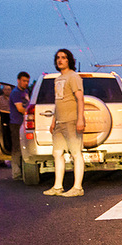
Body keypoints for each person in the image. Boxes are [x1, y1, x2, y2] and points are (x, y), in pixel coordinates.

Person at [44, 49, 86, 197]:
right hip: (60, 122)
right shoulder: (58, 79)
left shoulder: (73, 77)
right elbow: (58, 101)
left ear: (69, 60)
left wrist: (80, 119)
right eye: (58, 58)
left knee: (76, 153)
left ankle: (77, 187)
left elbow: (80, 99)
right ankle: (57, 186)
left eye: (63, 57)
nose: (60, 60)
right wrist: (54, 121)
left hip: (72, 121)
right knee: (57, 153)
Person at [9, 72, 30, 181]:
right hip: (16, 123)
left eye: (27, 81)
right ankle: (16, 173)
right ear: (18, 80)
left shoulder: (25, 91)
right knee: (17, 148)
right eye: (24, 81)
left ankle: (23, 171)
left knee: (24, 148)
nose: (26, 83)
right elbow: (20, 109)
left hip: (24, 123)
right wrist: (31, 113)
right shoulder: (16, 93)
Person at [0, 84, 12, 162]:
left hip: (13, 119)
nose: (7, 91)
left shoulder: (13, 98)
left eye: (9, 89)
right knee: (4, 137)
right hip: (4, 119)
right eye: (6, 89)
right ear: (3, 90)